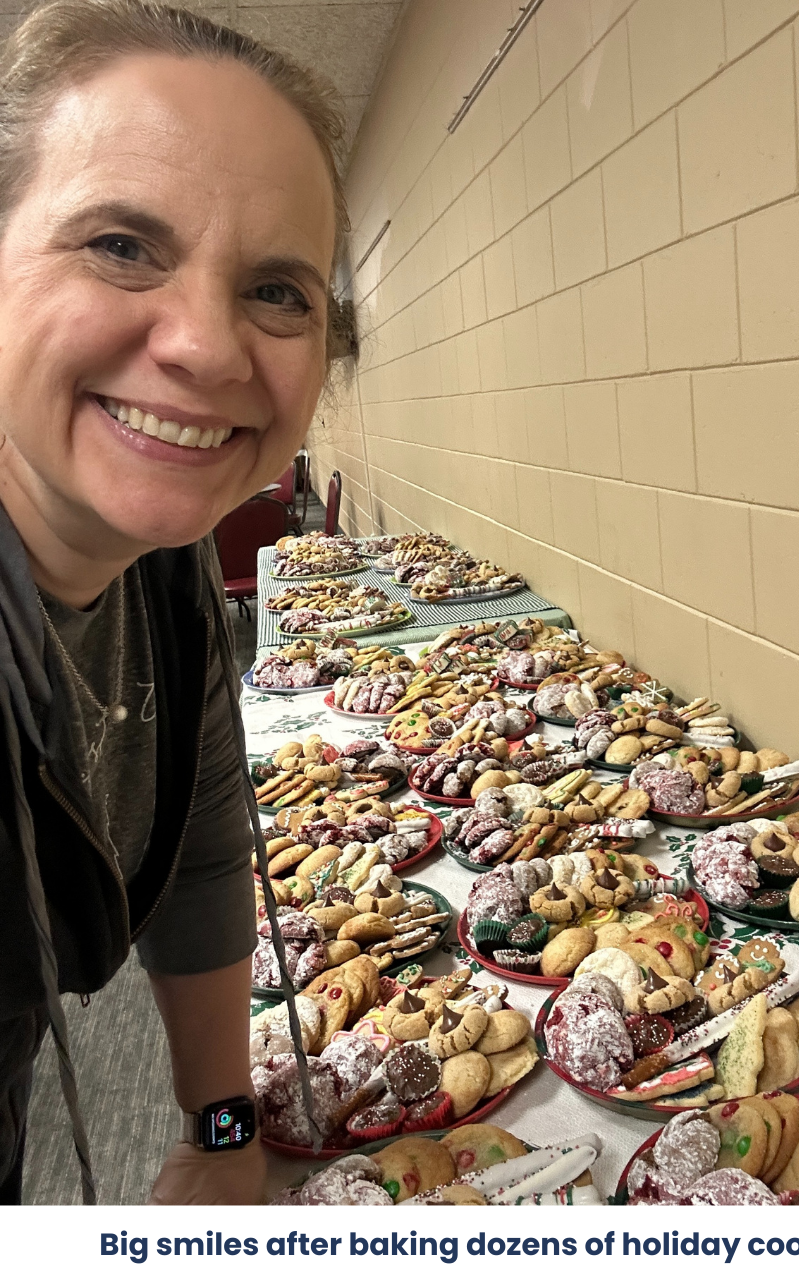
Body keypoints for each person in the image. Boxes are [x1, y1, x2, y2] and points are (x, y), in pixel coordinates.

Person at [0, 0, 344, 1204]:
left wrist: (220, 1124)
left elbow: (200, 849)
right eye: (120, 244)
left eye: (277, 290)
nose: (205, 346)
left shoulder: (164, 564)